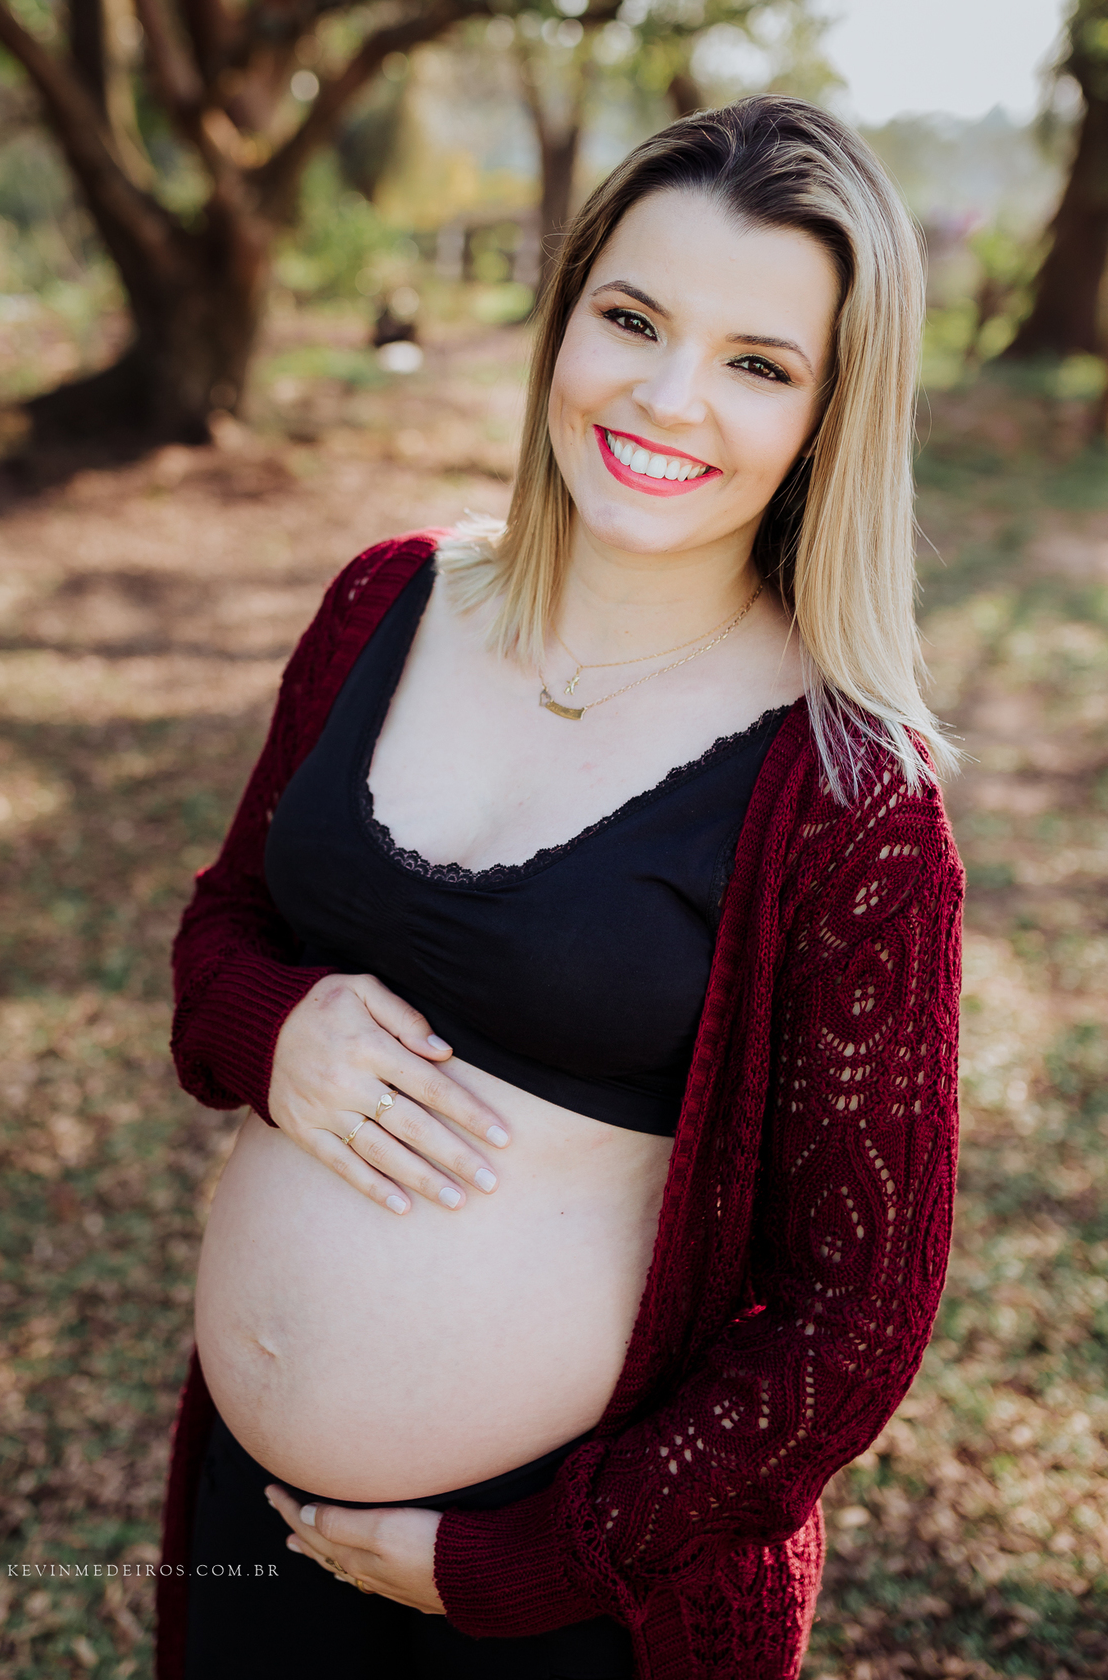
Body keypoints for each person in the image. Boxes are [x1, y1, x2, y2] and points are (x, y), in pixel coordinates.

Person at [156, 96, 965, 1680]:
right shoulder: (387, 601)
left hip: (562, 1605)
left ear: (829, 414)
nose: (668, 396)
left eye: (756, 362)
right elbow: (218, 934)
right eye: (633, 318)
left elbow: (853, 1322)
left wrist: (533, 1560)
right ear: (566, 313)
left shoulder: (850, 797)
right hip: (252, 1513)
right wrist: (274, 1024)